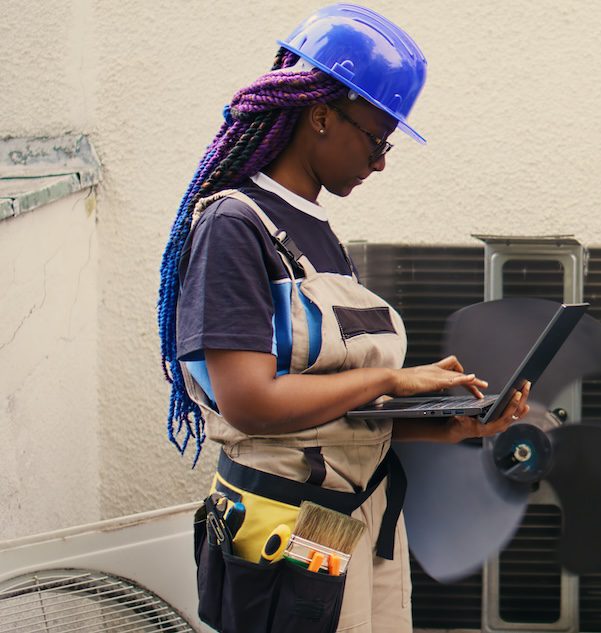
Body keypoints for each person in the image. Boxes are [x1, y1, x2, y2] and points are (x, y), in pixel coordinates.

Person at [154, 4, 530, 631]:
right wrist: (390, 379)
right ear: (321, 115)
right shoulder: (234, 226)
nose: (381, 161)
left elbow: (327, 419)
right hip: (291, 525)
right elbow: (249, 404)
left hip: (359, 516)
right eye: (377, 138)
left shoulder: (318, 235)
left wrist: (446, 427)